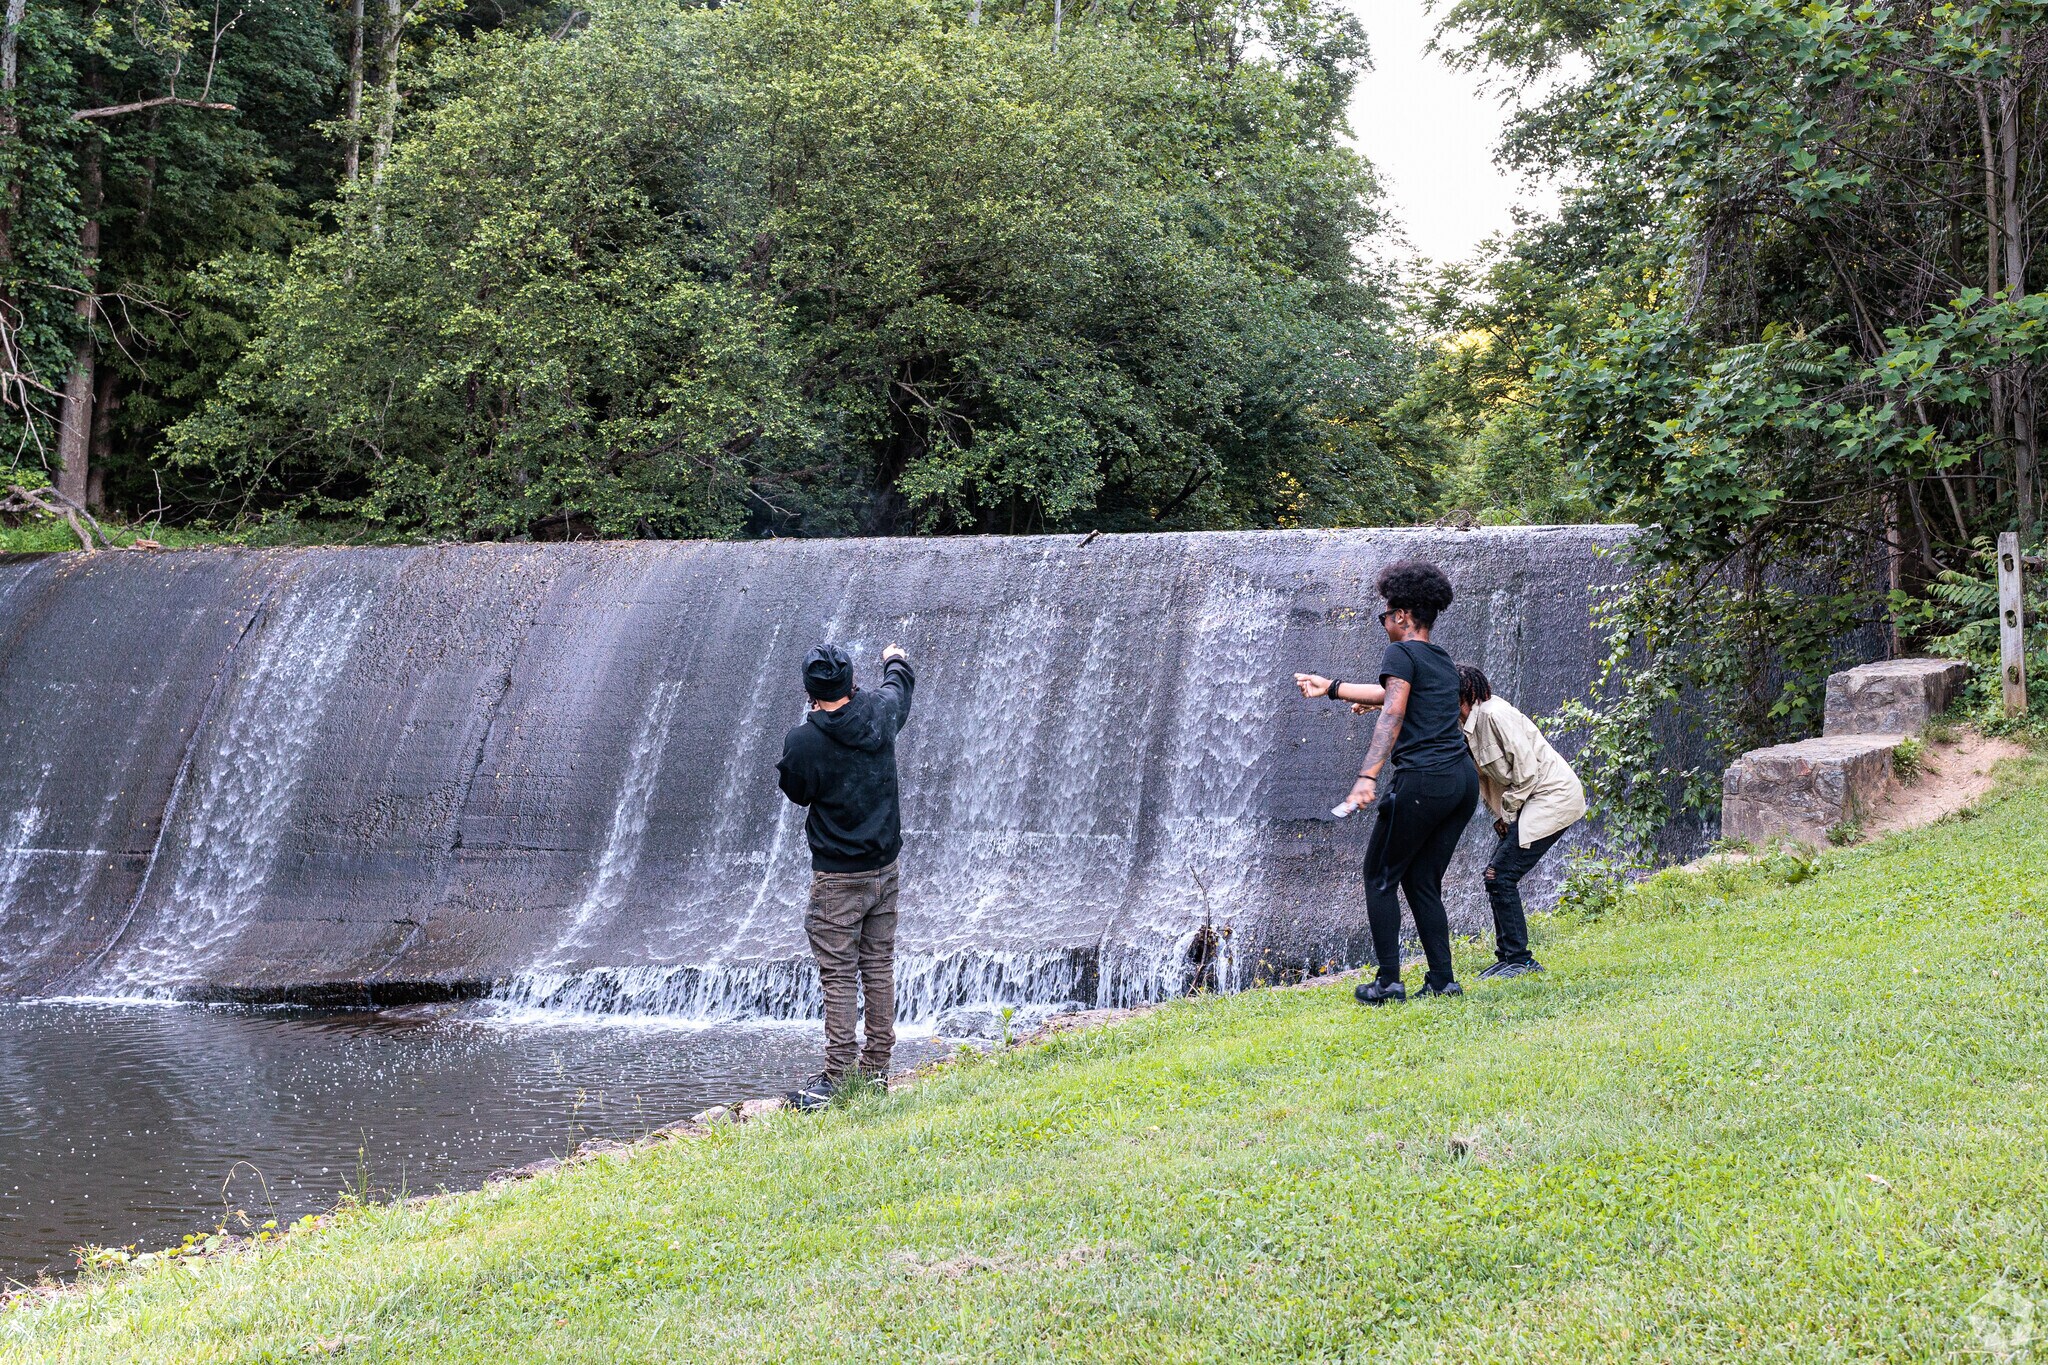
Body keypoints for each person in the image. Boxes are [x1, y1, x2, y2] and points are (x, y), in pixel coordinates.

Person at [1292, 560, 1478, 1005]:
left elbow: (1393, 710)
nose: (1384, 623)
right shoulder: (1442, 660)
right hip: (1461, 782)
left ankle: (1389, 982)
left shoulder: (1400, 653)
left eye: (1385, 615)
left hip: (1424, 781)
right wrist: (1332, 687)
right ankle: (1442, 980)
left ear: (1403, 616)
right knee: (1422, 881)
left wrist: (1366, 777)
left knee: (1379, 875)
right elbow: (1392, 695)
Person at [775, 642, 915, 1109]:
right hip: (886, 869)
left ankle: (837, 1077)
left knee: (838, 976)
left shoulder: (803, 741)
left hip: (837, 877)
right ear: (851, 681)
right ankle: (876, 1071)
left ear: (811, 690)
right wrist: (894, 658)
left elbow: (797, 791)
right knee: (878, 967)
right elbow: (899, 687)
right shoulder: (880, 712)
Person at [1456, 665, 1585, 979]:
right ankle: (1509, 957)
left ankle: (1521, 960)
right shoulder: (1468, 723)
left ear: (1466, 695)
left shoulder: (1493, 715)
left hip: (1551, 798)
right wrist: (1377, 703)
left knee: (1498, 875)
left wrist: (1508, 815)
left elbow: (1526, 772)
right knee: (1495, 875)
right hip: (1528, 803)